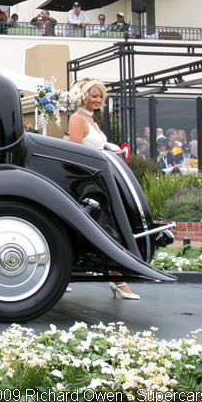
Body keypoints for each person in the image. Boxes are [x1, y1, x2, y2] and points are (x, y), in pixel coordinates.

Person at [68, 77, 139, 301]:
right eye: (94, 96)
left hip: (98, 182)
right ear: (84, 97)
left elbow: (94, 144)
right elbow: (74, 151)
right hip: (86, 184)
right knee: (100, 230)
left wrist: (110, 151)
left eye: (100, 96)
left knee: (107, 230)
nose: (98, 100)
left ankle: (117, 277)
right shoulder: (77, 119)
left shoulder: (92, 121)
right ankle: (117, 278)